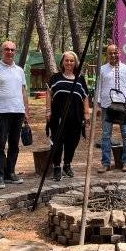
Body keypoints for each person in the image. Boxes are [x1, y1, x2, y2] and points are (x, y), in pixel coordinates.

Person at [0, 40, 30, 189]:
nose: (10, 52)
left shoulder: (20, 70)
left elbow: (23, 91)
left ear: (15, 52)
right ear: (1, 51)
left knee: (14, 144)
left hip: (18, 111)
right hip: (2, 112)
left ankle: (10, 172)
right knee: (0, 144)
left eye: (12, 50)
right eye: (7, 49)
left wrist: (26, 111)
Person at [46, 51, 90, 181]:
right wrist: (48, 111)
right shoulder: (56, 77)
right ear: (63, 62)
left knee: (72, 142)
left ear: (75, 63)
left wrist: (87, 114)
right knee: (57, 142)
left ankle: (67, 164)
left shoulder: (80, 79)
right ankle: (56, 167)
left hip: (75, 116)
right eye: (67, 60)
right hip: (58, 116)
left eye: (72, 61)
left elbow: (85, 97)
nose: (69, 63)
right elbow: (49, 93)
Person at [97, 44, 126, 173]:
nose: (113, 55)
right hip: (107, 105)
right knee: (105, 135)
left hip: (123, 106)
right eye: (110, 53)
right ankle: (106, 163)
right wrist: (98, 103)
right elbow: (99, 86)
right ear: (107, 54)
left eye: (115, 53)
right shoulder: (103, 69)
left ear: (119, 53)